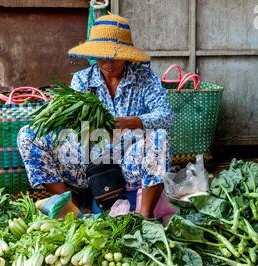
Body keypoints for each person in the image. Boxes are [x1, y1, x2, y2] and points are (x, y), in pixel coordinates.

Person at [17, 14, 173, 219]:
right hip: (88, 158)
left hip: (130, 160)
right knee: (28, 135)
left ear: (126, 55)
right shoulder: (83, 80)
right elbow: (72, 127)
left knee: (160, 138)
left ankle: (145, 217)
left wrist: (131, 122)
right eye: (102, 57)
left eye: (114, 57)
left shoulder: (144, 78)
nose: (108, 63)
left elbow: (166, 116)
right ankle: (72, 209)